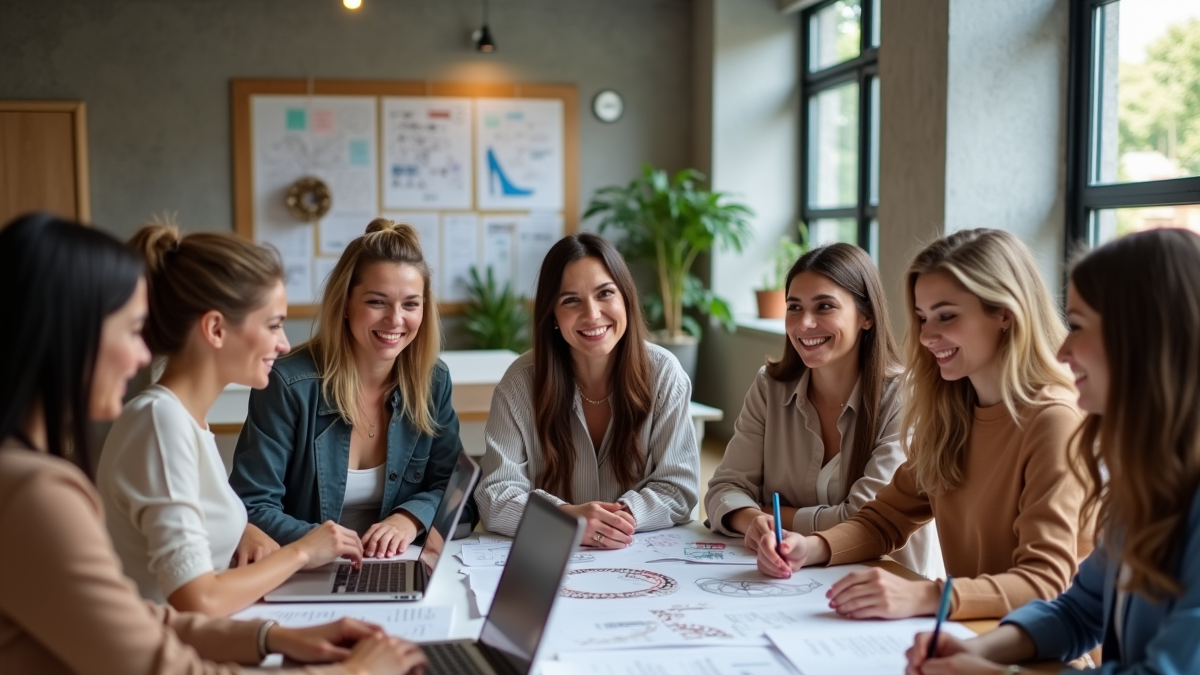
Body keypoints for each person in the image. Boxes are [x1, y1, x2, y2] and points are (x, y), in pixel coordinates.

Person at [0, 213, 426, 675]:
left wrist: (273, 638)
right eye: (130, 331)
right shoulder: (34, 491)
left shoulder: (31, 476)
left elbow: (136, 618)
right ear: (70, 334)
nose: (138, 356)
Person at [905, 227, 1200, 675]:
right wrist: (983, 651)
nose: (1063, 347)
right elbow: (1078, 609)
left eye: (1081, 325)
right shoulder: (1148, 477)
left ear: (1144, 338)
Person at [757, 229, 1092, 620]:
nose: (928, 336)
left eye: (946, 316)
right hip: (973, 634)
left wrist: (924, 597)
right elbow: (885, 519)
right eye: (921, 317)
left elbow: (1044, 581)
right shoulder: (952, 411)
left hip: (1053, 654)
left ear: (1005, 312)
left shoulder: (1054, 419)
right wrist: (811, 548)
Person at [98, 224, 363, 615]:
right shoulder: (160, 422)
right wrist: (302, 552)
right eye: (273, 325)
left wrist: (244, 531)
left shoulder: (186, 421)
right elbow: (198, 599)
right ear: (216, 329)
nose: (284, 343)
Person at [706, 243, 942, 577]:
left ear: (867, 316)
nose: (804, 324)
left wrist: (771, 513)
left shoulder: (906, 394)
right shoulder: (770, 386)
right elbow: (723, 489)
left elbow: (865, 518)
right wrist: (754, 521)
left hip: (883, 582)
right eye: (794, 307)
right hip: (793, 579)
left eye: (825, 306)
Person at [230, 218, 462, 557]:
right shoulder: (288, 384)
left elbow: (458, 493)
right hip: (308, 567)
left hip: (398, 564)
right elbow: (251, 506)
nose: (395, 319)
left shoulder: (433, 381)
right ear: (346, 305)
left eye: (411, 304)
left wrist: (409, 519)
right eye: (376, 302)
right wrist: (327, 543)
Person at [475, 233, 699, 545]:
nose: (592, 314)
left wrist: (613, 522)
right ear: (552, 315)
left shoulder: (664, 374)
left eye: (605, 293)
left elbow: (678, 488)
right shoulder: (520, 382)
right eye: (571, 300)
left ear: (626, 300)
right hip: (549, 561)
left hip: (639, 557)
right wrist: (568, 519)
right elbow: (494, 494)